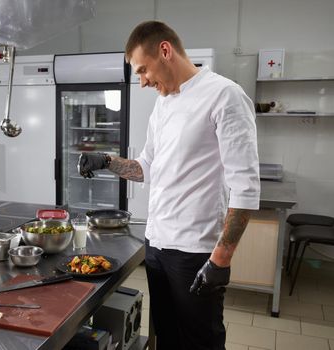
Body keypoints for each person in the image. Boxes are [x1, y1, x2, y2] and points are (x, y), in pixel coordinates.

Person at [78, 21, 260, 350]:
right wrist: (106, 160)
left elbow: (246, 187)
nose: (143, 81)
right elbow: (145, 167)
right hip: (158, 244)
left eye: (143, 70)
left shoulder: (224, 95)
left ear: (165, 51)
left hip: (195, 250)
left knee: (200, 340)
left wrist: (221, 259)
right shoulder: (163, 105)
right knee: (166, 335)